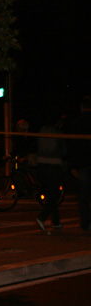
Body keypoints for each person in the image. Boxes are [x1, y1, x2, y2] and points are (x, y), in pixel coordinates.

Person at [35, 109, 67, 233]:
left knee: (50, 194)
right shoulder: (58, 132)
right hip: (54, 165)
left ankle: (56, 221)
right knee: (54, 195)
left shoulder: (42, 130)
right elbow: (64, 150)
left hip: (42, 164)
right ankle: (42, 217)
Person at [68, 96, 91, 231]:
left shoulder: (76, 123)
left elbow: (72, 145)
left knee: (83, 196)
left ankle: (85, 223)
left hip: (82, 163)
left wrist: (72, 165)